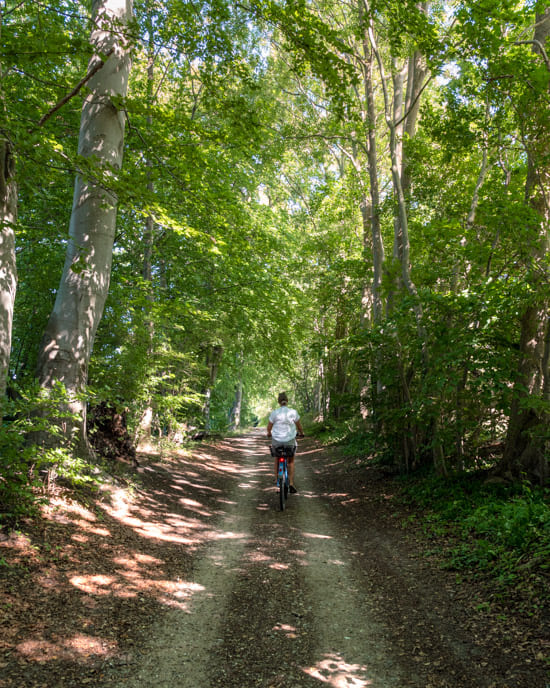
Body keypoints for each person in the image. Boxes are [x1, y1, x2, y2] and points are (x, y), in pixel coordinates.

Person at [267, 391, 304, 493]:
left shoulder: (275, 413)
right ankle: (291, 483)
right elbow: (299, 426)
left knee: (277, 459)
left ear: (278, 402)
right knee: (291, 461)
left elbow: (269, 427)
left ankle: (277, 481)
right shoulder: (293, 412)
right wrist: (302, 433)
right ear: (287, 401)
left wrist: (269, 433)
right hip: (289, 441)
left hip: (277, 441)